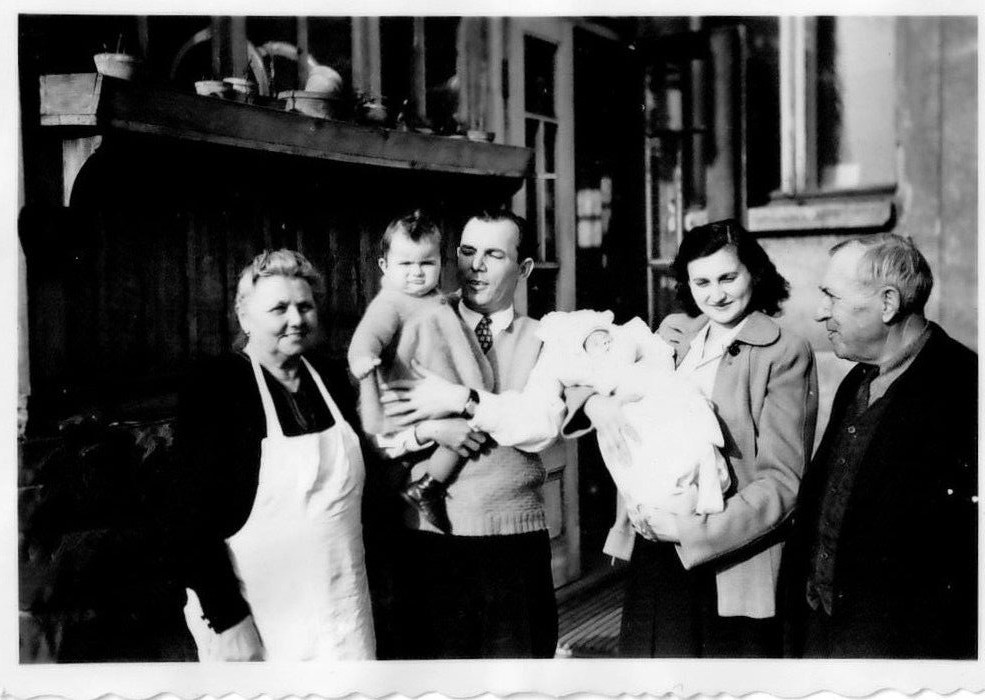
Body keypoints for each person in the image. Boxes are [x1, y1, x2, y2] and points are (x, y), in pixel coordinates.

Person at [565, 219, 818, 657]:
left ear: (754, 274)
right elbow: (577, 370)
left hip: (728, 559)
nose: (715, 294)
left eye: (728, 278)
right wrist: (595, 404)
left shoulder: (783, 351)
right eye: (701, 282)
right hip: (653, 547)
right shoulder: (671, 334)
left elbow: (782, 485)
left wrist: (689, 529)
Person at [169, 249, 376, 661]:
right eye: (279, 309)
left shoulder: (330, 377)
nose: (296, 319)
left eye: (305, 306)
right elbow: (187, 519)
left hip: (344, 606)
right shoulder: (217, 388)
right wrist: (228, 619)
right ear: (245, 317)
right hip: (260, 615)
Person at [378, 209, 566, 658]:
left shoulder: (546, 337)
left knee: (518, 679)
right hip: (428, 540)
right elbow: (380, 431)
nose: (475, 266)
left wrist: (463, 400)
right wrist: (429, 430)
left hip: (513, 544)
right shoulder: (419, 320)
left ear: (524, 268)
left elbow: (539, 426)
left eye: (494, 255)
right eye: (467, 251)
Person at [781, 234, 977, 658]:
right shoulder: (858, 380)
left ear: (888, 304)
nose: (819, 313)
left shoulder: (965, 390)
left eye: (832, 297)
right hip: (822, 640)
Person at [347, 210, 492, 533]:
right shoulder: (392, 303)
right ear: (385, 266)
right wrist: (363, 358)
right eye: (405, 264)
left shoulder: (437, 300)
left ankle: (427, 484)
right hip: (412, 401)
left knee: (471, 429)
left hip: (445, 399)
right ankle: (428, 487)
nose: (416, 272)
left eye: (427, 263)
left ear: (441, 263)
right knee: (462, 433)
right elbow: (369, 334)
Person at [535, 309, 729, 526]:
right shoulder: (675, 327)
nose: (716, 295)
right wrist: (592, 401)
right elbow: (573, 378)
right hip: (648, 508)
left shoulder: (758, 346)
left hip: (719, 523)